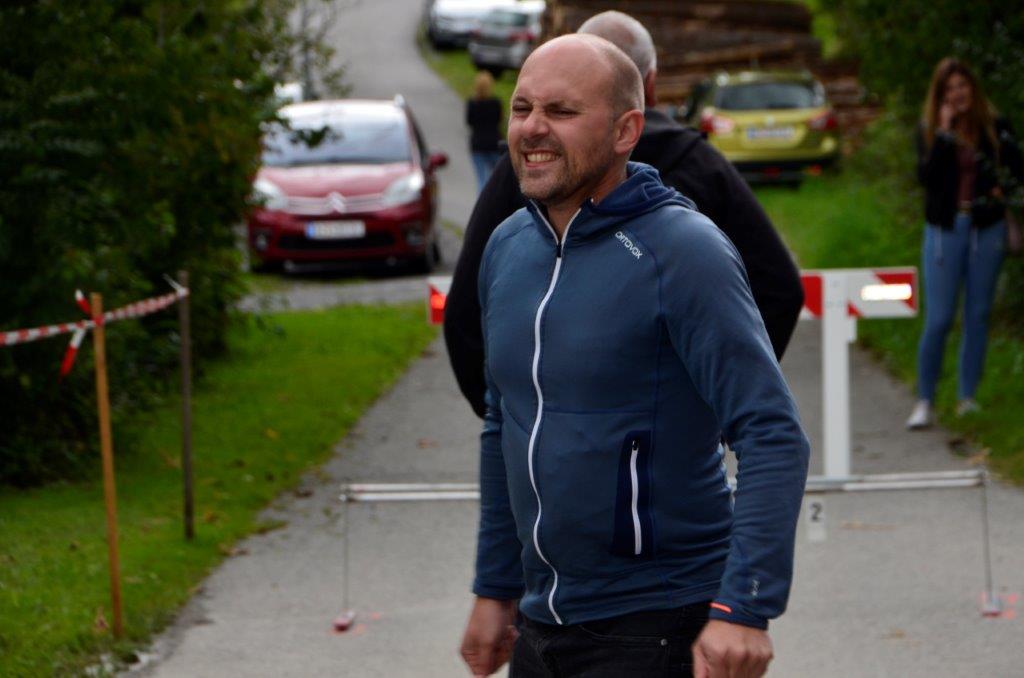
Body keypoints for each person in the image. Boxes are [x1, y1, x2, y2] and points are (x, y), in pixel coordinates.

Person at [459, 33, 810, 678]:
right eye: (522, 108)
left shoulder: (683, 251)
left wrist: (746, 606)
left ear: (626, 131)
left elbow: (771, 432)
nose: (532, 128)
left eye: (562, 111)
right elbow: (502, 419)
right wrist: (494, 586)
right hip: (539, 623)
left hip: (657, 622)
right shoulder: (508, 247)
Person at [445, 11, 804, 419]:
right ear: (651, 83)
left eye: (563, 109)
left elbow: (464, 314)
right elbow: (780, 288)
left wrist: (511, 415)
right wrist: (712, 402)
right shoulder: (702, 165)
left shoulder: (531, 164)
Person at [906, 57, 1022, 429]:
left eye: (963, 85)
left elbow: (1015, 170)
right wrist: (943, 134)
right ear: (940, 96)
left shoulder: (995, 127)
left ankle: (966, 397)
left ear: (972, 87)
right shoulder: (929, 131)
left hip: (986, 228)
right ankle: (925, 399)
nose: (959, 94)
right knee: (940, 318)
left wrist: (1003, 197)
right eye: (950, 89)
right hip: (945, 230)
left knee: (978, 314)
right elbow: (926, 178)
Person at [466, 70, 504, 192]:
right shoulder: (496, 103)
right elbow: (499, 120)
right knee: (496, 179)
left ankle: (482, 202)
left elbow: (469, 122)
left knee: (481, 179)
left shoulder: (472, 103)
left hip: (477, 144)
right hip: (494, 143)